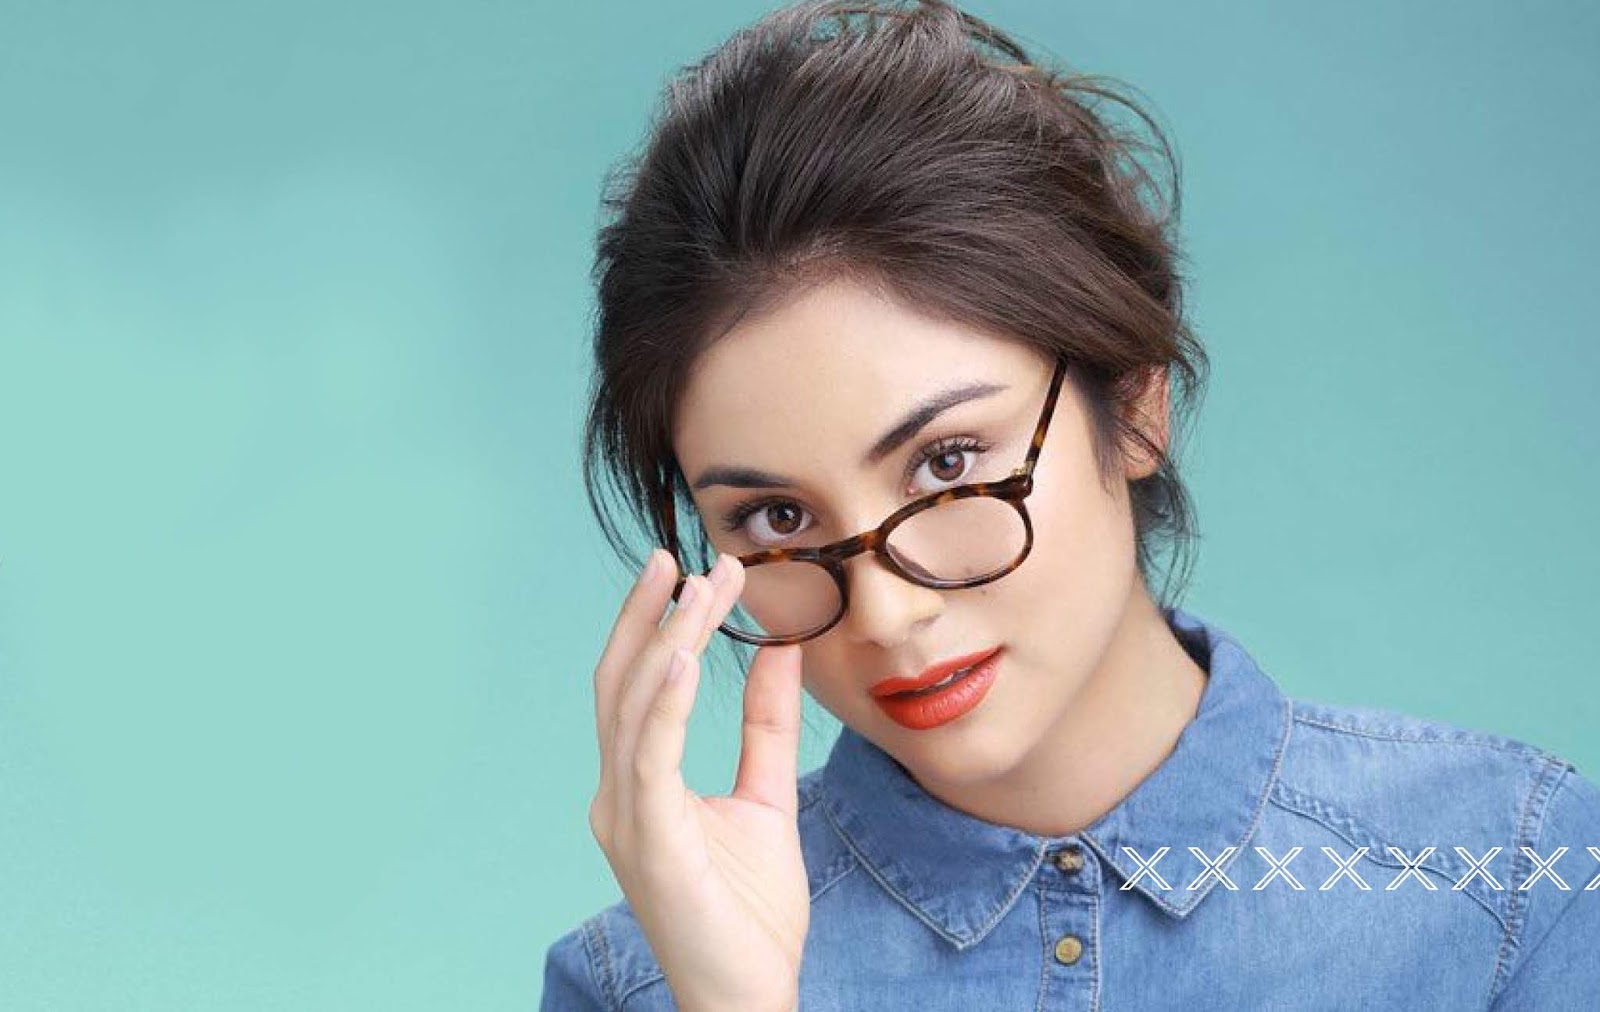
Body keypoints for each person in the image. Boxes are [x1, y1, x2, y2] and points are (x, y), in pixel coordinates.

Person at [541, 1, 1600, 1008]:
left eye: (947, 463)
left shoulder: (1511, 883)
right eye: (777, 519)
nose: (885, 613)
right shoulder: (643, 983)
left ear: (1135, 403)